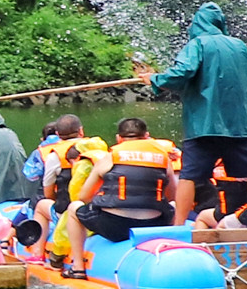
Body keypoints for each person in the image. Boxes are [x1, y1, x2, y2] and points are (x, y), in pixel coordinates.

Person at [151, 3, 247, 229]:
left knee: (189, 176)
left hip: (203, 125)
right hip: (240, 126)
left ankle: (178, 227)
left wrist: (155, 80)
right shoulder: (240, 46)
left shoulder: (197, 44)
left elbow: (182, 72)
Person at [55, 115, 183, 269]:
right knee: (175, 205)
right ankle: (175, 247)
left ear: (119, 139)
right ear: (147, 136)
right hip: (154, 225)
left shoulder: (111, 157)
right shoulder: (163, 159)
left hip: (115, 227)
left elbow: (84, 196)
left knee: (74, 207)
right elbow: (172, 196)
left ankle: (77, 266)